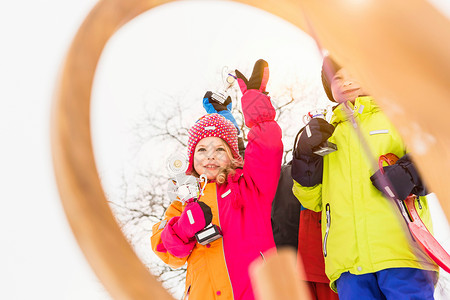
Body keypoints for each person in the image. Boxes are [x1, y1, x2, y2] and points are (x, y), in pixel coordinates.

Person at [291, 55, 438, 299]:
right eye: (338, 78)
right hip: (349, 263)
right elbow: (311, 200)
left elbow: (436, 157)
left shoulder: (397, 119)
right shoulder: (327, 137)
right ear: (330, 89)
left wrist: (411, 173)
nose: (347, 82)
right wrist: (304, 159)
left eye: (354, 73)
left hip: (403, 252)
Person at [151, 59, 283, 300]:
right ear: (191, 159)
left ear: (233, 156)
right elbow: (164, 250)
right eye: (201, 149)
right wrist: (182, 230)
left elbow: (267, 146)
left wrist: (257, 109)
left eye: (219, 149)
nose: (210, 155)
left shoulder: (250, 187)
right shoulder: (183, 202)